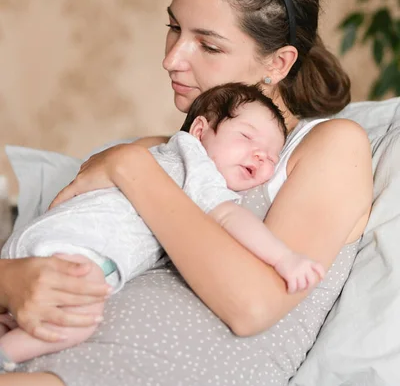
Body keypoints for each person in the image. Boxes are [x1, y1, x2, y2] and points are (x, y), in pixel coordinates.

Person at [0, 0, 372, 386]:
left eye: (208, 45)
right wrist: (12, 280)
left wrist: (131, 166)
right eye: (174, 27)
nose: (171, 58)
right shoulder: (160, 152)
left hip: (146, 381)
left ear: (277, 63)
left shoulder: (330, 146)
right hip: (46, 352)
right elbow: (67, 238)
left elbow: (253, 306)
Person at [0, 83, 324, 370]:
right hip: (77, 248)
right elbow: (228, 217)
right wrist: (284, 258)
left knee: (23, 317)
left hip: (32, 246)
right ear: (200, 131)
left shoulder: (157, 155)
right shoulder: (196, 163)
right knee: (82, 320)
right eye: (246, 137)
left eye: (271, 155)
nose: (260, 154)